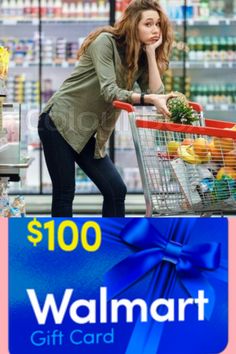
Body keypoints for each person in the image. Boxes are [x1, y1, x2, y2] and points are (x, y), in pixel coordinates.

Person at [38, 0, 174, 217]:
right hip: (59, 122)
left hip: (86, 132)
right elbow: (110, 91)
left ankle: (112, 248)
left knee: (115, 190)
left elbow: (157, 95)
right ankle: (62, 252)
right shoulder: (105, 42)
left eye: (158, 24)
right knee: (65, 192)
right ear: (132, 24)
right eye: (148, 24)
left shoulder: (138, 55)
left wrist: (150, 53)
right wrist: (148, 98)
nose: (155, 29)